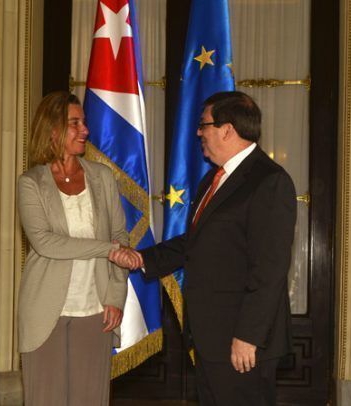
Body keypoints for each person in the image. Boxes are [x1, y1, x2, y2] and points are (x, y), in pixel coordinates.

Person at [111, 91, 297, 406]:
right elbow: (196, 243)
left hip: (242, 340)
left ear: (227, 129)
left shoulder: (269, 181)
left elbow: (270, 269)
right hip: (212, 337)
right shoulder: (214, 178)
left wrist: (249, 336)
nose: (199, 132)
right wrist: (144, 258)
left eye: (204, 125)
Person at [17, 91, 131, 406]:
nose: (85, 130)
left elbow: (121, 235)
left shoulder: (103, 177)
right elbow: (45, 242)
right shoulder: (30, 183)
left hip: (96, 310)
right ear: (52, 130)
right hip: (44, 311)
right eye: (75, 123)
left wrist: (115, 296)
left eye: (84, 122)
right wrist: (107, 250)